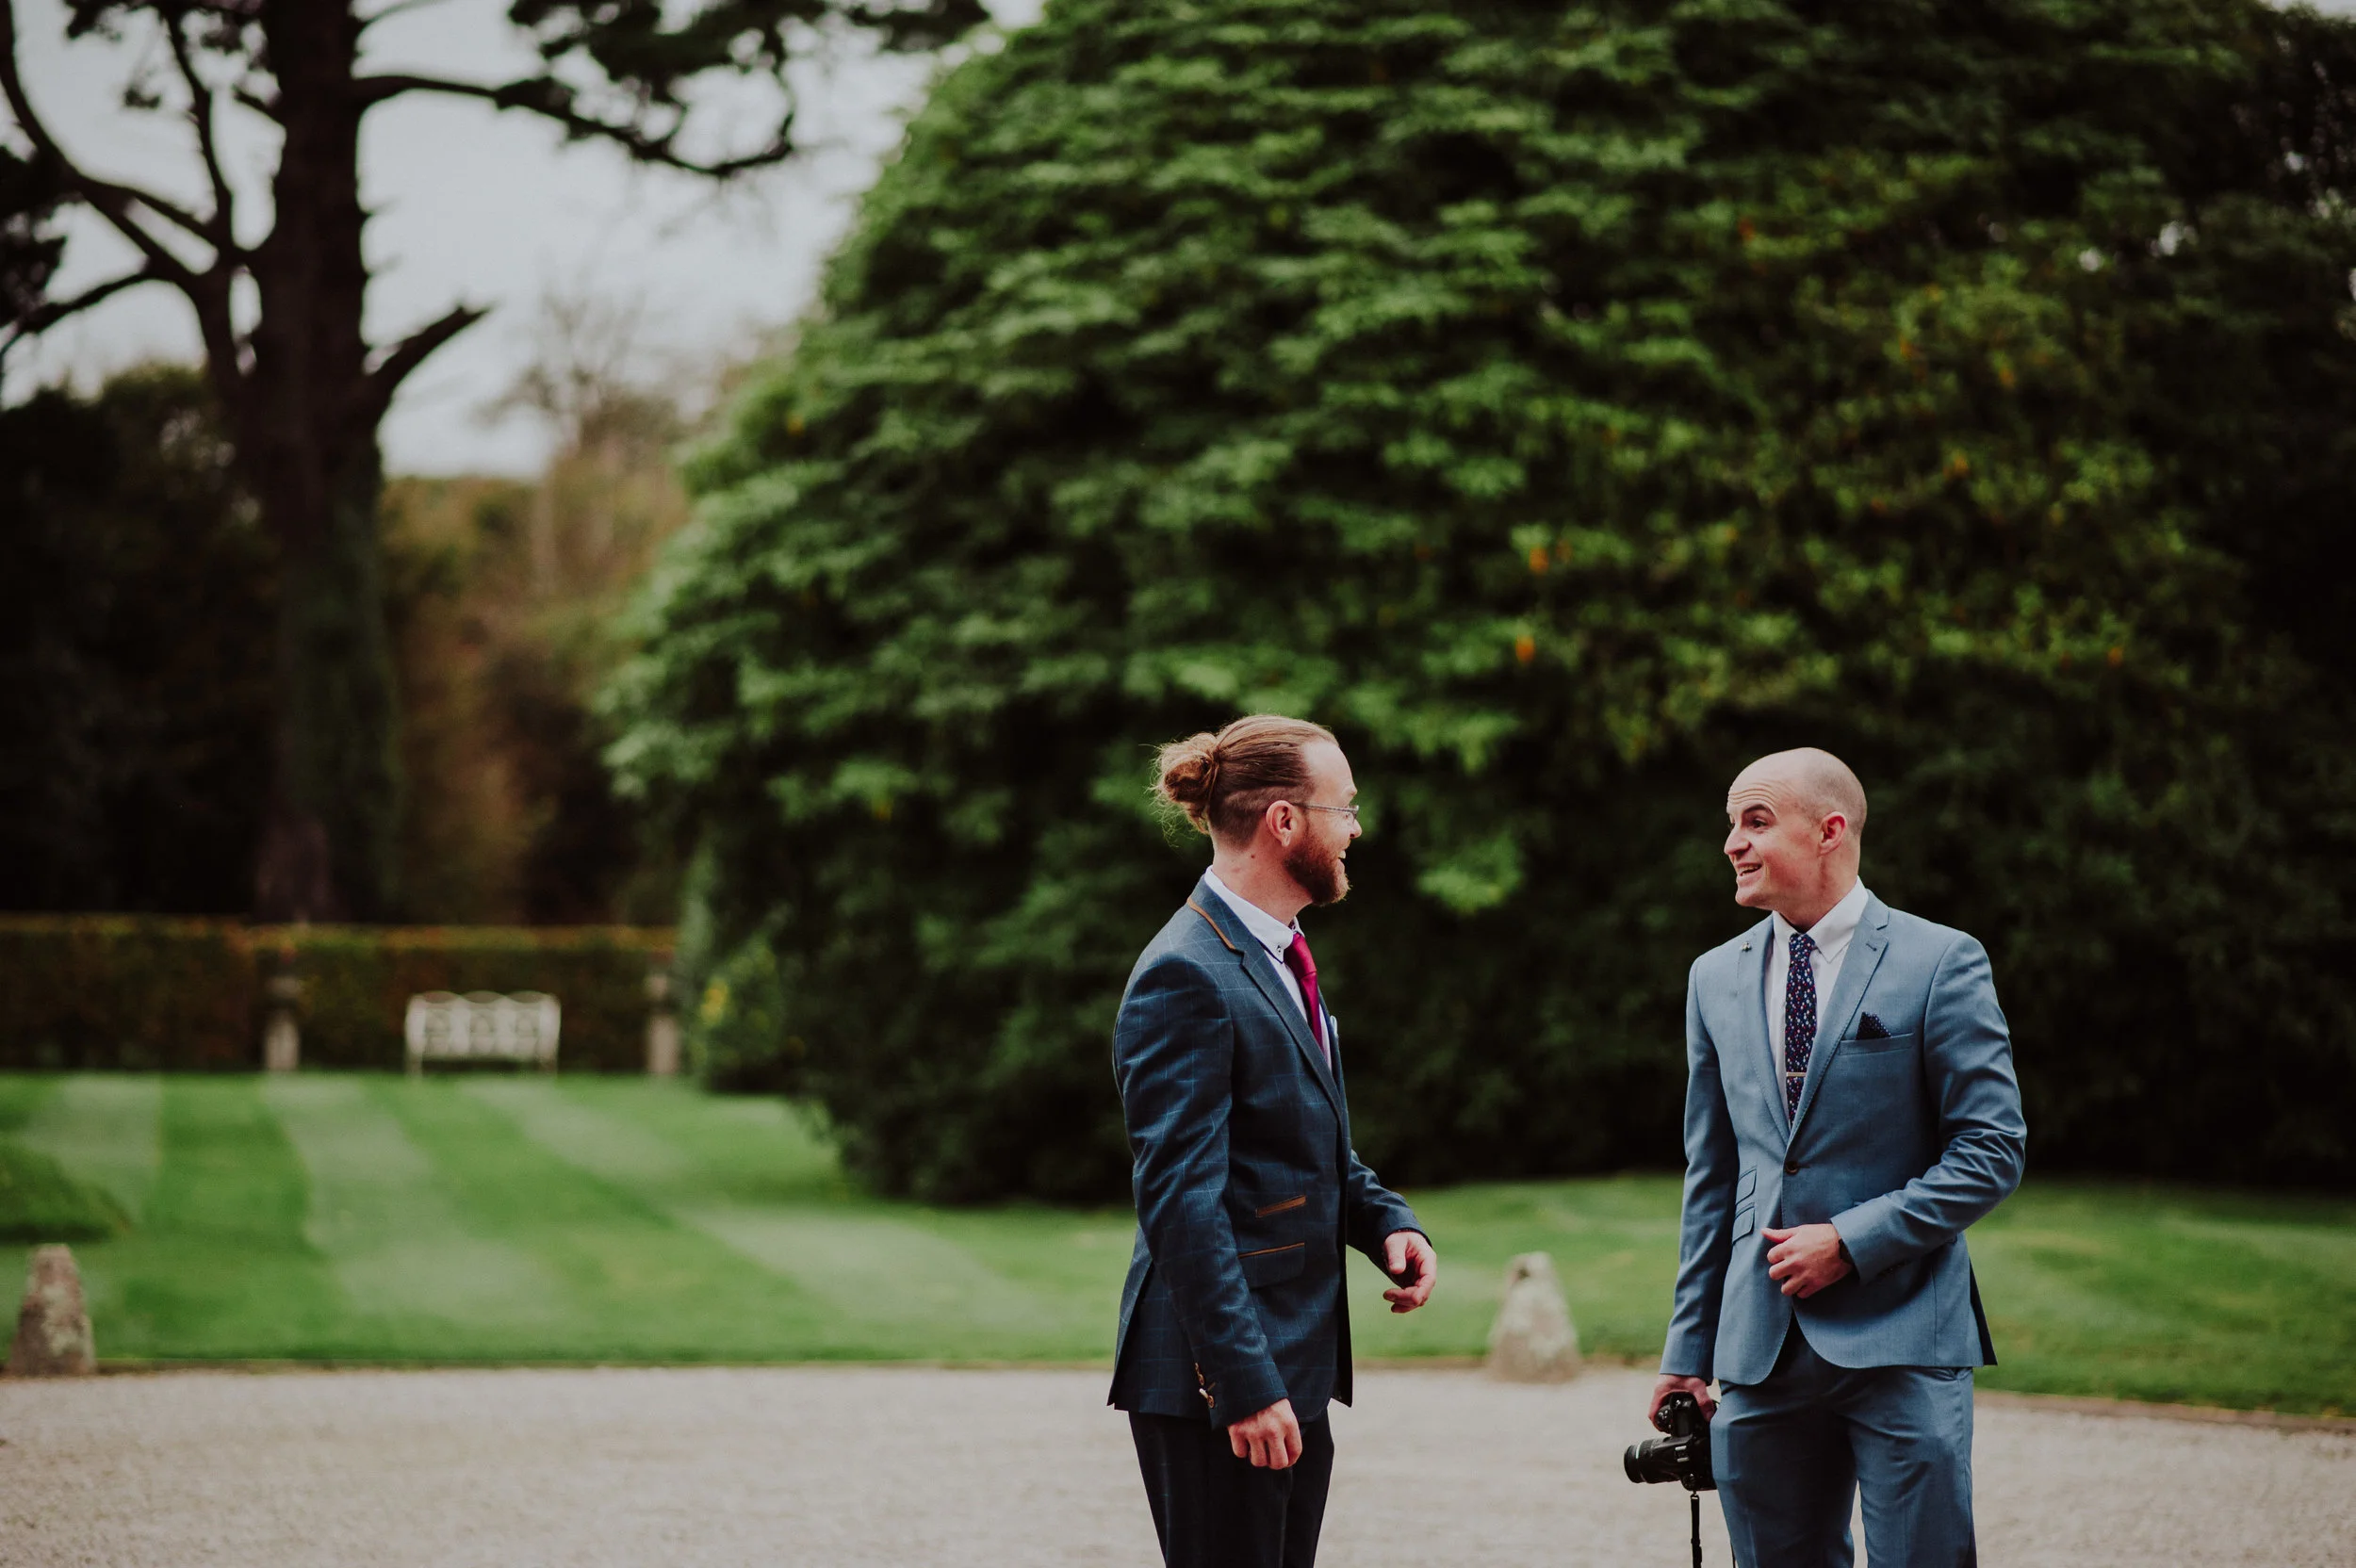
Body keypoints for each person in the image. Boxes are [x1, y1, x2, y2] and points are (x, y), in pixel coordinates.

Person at [1651, 748, 2026, 1567]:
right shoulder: (1712, 978)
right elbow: (1715, 1179)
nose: (1732, 843)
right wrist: (1689, 1353)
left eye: (1755, 821)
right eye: (1730, 824)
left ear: (1830, 831)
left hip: (1904, 1335)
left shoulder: (1941, 961)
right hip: (1759, 1348)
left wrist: (1852, 1242)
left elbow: (1991, 1150)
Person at [1110, 713, 1439, 1568]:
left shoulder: (1279, 955)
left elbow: (1308, 1145)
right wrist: (1243, 1384)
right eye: (1346, 806)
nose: (1357, 828)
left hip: (1292, 1356)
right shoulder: (1187, 972)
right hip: (1220, 1378)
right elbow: (1182, 1201)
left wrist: (1387, 1223)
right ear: (1284, 822)